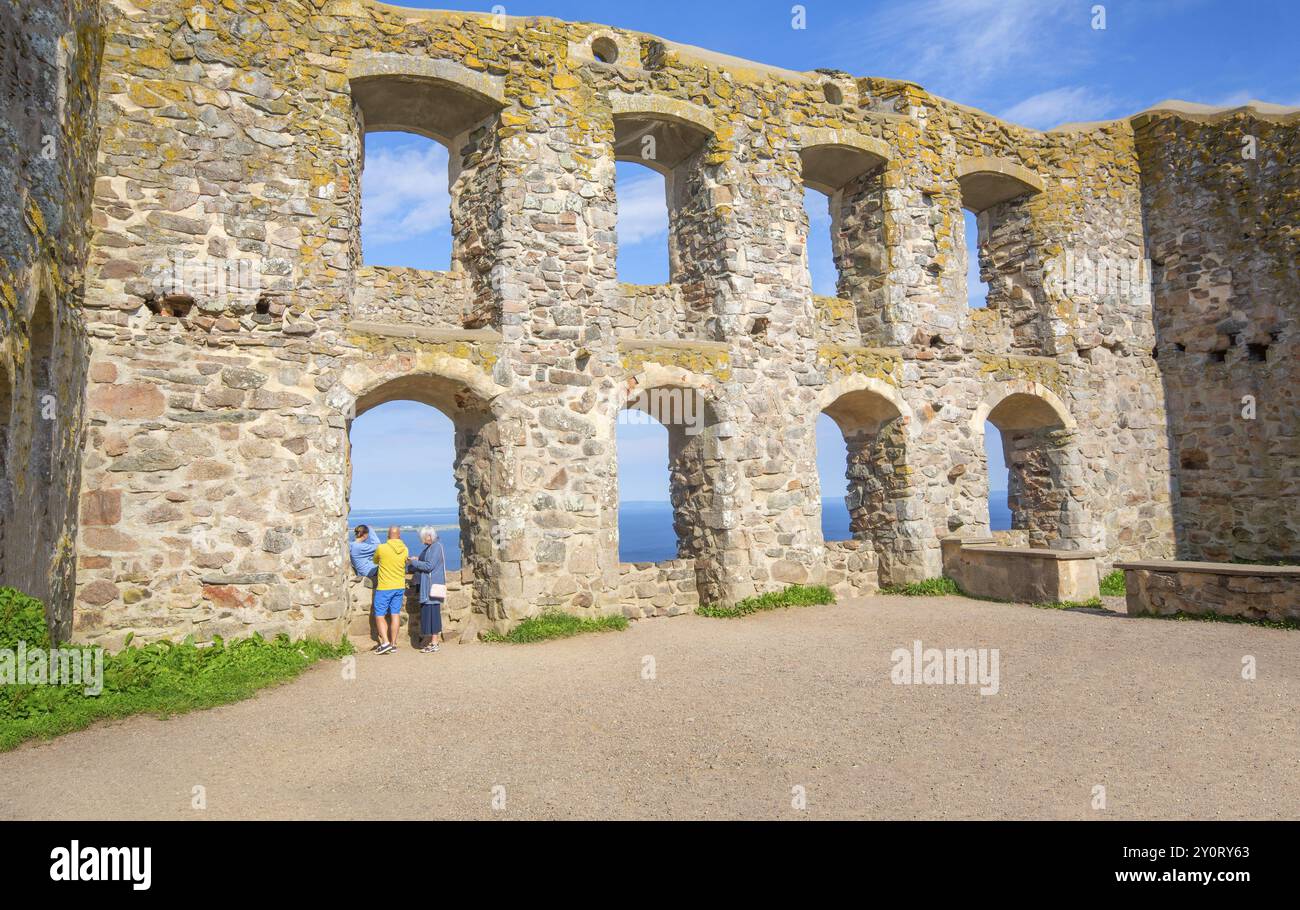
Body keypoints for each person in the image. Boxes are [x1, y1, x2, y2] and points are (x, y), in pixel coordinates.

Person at [408, 526, 447, 654]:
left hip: (431, 587)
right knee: (429, 614)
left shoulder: (436, 547)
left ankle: (434, 642)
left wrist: (414, 563)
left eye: (424, 538)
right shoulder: (431, 547)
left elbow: (429, 566)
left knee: (432, 615)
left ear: (430, 536)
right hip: (428, 587)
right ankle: (432, 641)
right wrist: (417, 560)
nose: (423, 541)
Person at [371, 525, 409, 654]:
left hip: (384, 586)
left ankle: (385, 642)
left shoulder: (381, 548)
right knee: (395, 614)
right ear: (399, 535)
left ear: (388, 535)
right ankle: (393, 644)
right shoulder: (405, 549)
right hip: (399, 586)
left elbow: (375, 561)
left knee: (380, 614)